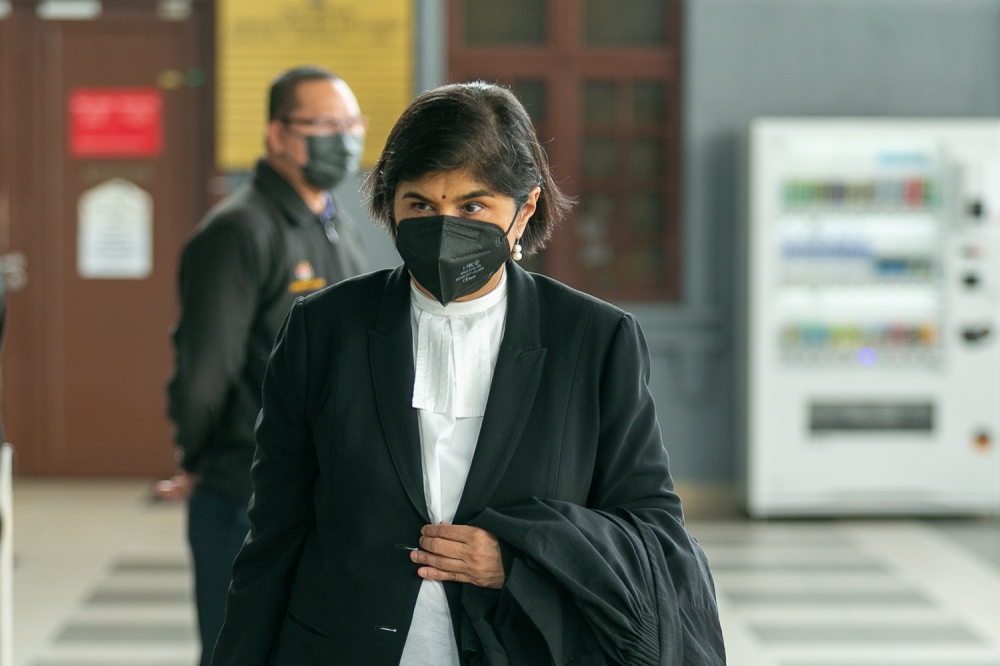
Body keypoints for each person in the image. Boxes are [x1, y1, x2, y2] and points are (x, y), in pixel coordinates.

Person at [212, 82, 725, 665]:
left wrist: (520, 558)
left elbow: (652, 527)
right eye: (421, 206)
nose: (444, 225)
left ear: (525, 209)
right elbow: (274, 535)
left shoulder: (593, 339)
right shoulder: (324, 329)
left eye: (472, 207)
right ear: (390, 204)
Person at [165, 66, 368, 666]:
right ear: (277, 134)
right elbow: (205, 373)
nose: (344, 138)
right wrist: (200, 458)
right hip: (245, 495)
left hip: (327, 490)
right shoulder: (238, 232)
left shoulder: (337, 226)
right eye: (324, 124)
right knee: (243, 650)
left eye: (350, 124)